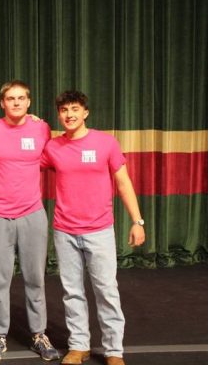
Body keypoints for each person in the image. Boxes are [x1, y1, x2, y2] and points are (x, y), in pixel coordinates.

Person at [41, 91, 145, 365]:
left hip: (99, 231)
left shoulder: (105, 143)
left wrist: (137, 221)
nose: (69, 115)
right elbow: (24, 164)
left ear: (85, 112)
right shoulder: (53, 147)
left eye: (74, 109)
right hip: (64, 230)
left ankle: (113, 350)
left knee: (106, 290)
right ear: (59, 115)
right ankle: (79, 345)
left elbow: (123, 183)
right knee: (72, 291)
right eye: (64, 110)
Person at [0, 81, 60, 362]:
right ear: (2, 103)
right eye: (10, 98)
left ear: (29, 102)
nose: (16, 103)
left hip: (33, 215)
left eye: (21, 98)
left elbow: (53, 158)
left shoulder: (41, 128)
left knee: (35, 279)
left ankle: (38, 333)